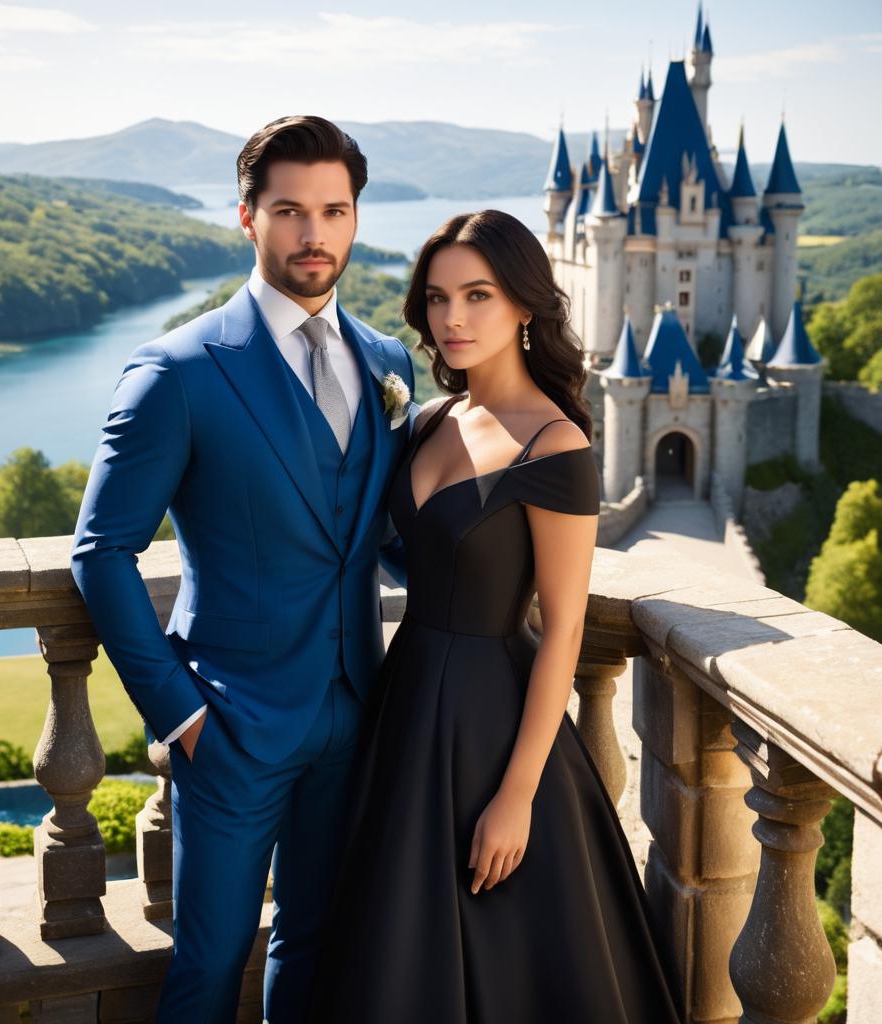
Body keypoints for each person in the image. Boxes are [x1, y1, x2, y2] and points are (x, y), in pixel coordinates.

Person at [69, 115, 416, 1024]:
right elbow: (100, 552)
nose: (315, 234)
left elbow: (378, 530)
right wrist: (180, 713)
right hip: (228, 723)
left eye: (335, 211)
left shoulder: (387, 361)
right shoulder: (177, 371)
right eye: (291, 210)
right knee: (210, 961)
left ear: (354, 219)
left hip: (354, 714)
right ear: (247, 218)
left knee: (319, 943)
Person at [308, 209, 686, 1023]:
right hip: (406, 704)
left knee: (506, 952)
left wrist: (516, 797)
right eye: (438, 298)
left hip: (492, 722)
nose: (453, 319)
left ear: (524, 305)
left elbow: (566, 632)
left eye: (477, 295)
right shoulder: (429, 422)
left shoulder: (555, 446)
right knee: (391, 937)